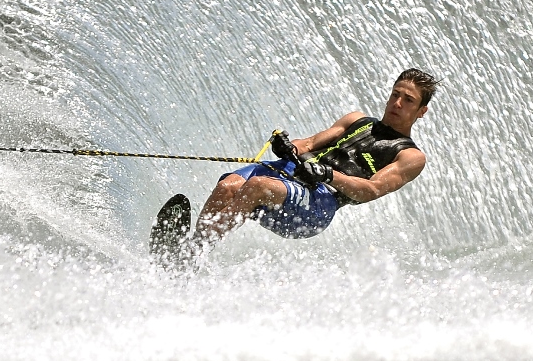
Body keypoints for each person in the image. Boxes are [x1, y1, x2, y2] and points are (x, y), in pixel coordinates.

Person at [187, 68, 439, 258]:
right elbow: (308, 143)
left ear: (421, 111)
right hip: (290, 176)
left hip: (318, 205)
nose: (397, 103)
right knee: (227, 185)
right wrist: (287, 147)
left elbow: (370, 190)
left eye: (408, 100)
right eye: (395, 94)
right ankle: (190, 251)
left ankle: (193, 252)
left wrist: (329, 175)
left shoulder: (409, 156)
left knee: (257, 185)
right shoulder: (356, 119)